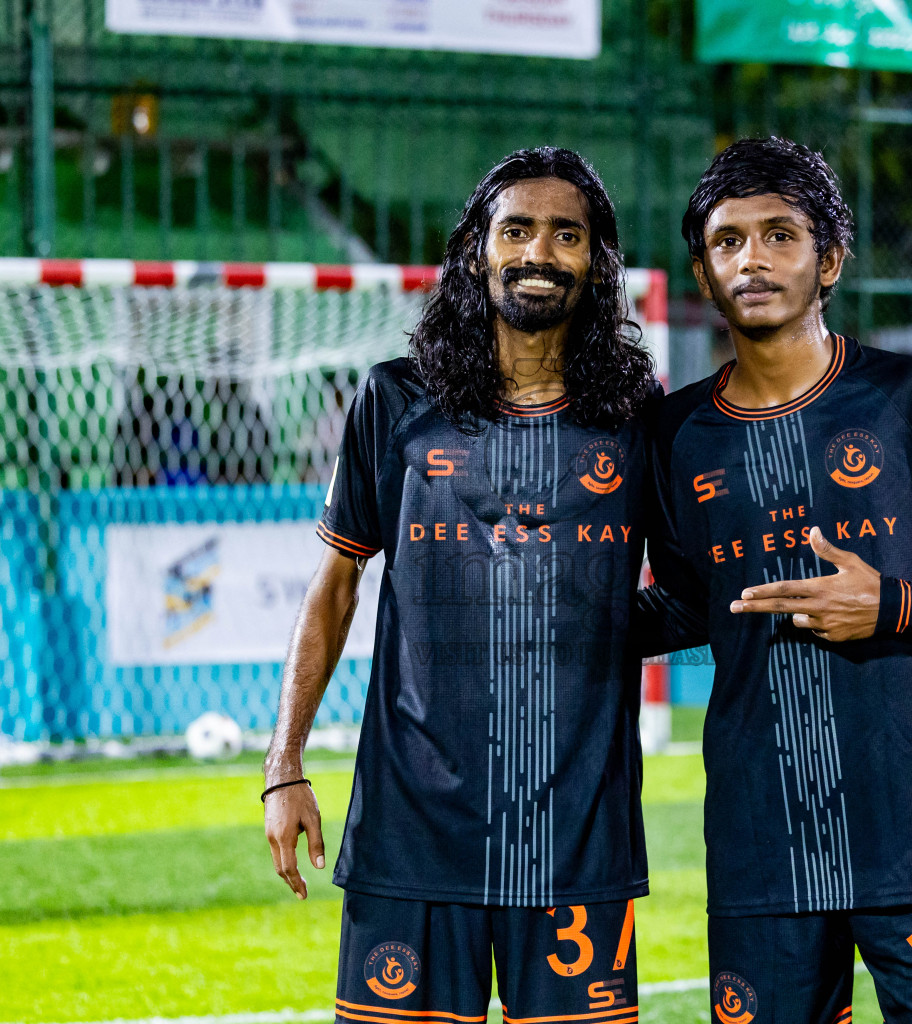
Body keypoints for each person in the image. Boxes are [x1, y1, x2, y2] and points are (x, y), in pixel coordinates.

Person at [639, 138, 912, 1024]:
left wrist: (892, 604)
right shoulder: (675, 432)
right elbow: (687, 603)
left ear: (828, 259)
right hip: (761, 841)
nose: (751, 258)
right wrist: (546, 606)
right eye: (727, 242)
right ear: (702, 272)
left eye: (779, 235)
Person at [262, 148, 658, 1024]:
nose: (539, 252)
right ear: (477, 250)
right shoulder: (397, 399)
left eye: (566, 234)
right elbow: (333, 586)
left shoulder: (638, 419)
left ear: (596, 262)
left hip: (576, 833)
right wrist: (284, 764)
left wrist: (589, 621)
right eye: (515, 229)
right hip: (410, 829)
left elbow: (698, 586)